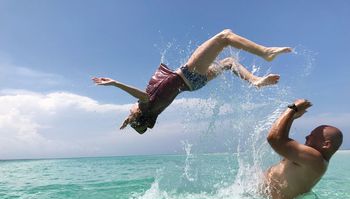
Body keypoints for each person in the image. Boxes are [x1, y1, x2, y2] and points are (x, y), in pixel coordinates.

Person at [92, 29, 292, 134]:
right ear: (139, 113)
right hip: (189, 74)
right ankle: (266, 53)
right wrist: (115, 83)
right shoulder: (146, 105)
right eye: (130, 113)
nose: (129, 110)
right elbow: (141, 96)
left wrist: (128, 121)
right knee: (225, 36)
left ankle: (255, 82)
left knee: (230, 62)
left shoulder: (150, 112)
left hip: (194, 85)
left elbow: (139, 115)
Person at [264, 99, 343, 199]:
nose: (306, 137)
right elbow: (282, 140)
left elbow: (275, 139)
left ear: (326, 144)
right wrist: (292, 117)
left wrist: (292, 108)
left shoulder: (314, 158)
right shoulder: (314, 160)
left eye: (312, 136)